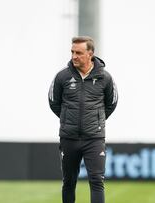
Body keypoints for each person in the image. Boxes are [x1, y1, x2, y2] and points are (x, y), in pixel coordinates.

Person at [48, 36, 118, 203]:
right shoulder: (62, 77)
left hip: (94, 139)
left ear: (90, 54)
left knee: (96, 182)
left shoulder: (105, 78)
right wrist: (68, 119)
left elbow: (111, 103)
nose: (74, 56)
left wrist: (95, 120)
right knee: (69, 182)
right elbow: (53, 102)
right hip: (69, 138)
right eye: (72, 52)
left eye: (78, 52)